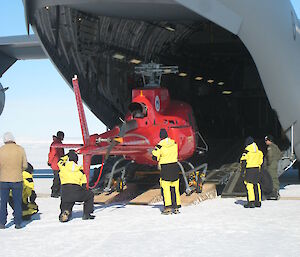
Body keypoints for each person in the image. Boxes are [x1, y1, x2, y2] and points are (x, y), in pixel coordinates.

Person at [58, 150, 95, 222]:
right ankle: (87, 214)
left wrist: (67, 154)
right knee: (90, 195)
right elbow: (84, 184)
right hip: (76, 190)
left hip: (65, 191)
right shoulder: (80, 170)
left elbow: (60, 161)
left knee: (66, 201)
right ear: (76, 160)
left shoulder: (63, 167)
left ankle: (65, 211)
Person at [0, 132, 27, 229]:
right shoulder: (20, 149)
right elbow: (25, 165)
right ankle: (18, 222)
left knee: (3, 202)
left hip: (3, 179)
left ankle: (2, 222)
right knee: (17, 202)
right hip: (17, 179)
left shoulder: (1, 150)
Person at [152, 129, 181, 215]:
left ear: (161, 136)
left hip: (165, 168)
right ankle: (176, 207)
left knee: (166, 188)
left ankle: (168, 208)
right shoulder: (174, 143)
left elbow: (154, 157)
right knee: (175, 187)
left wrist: (153, 152)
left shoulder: (159, 146)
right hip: (175, 167)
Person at [240, 136, 263, 208]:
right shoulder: (259, 152)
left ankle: (251, 202)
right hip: (257, 169)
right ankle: (258, 201)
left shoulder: (246, 152)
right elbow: (261, 161)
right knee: (256, 184)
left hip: (249, 169)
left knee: (249, 185)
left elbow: (243, 161)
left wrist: (242, 171)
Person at [264, 135, 282, 200]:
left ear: (269, 140)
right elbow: (280, 154)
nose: (265, 142)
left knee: (272, 178)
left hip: (271, 165)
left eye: (266, 140)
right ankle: (276, 191)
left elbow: (269, 156)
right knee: (275, 178)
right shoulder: (275, 146)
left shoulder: (270, 147)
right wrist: (275, 160)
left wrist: (268, 163)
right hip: (275, 164)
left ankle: (274, 192)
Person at [48, 131, 65, 198]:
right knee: (57, 178)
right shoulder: (56, 144)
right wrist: (50, 161)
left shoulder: (58, 143)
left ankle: (57, 191)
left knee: (58, 178)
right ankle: (55, 192)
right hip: (56, 164)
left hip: (58, 163)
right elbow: (52, 153)